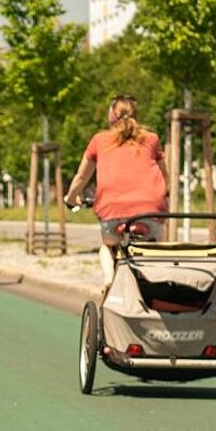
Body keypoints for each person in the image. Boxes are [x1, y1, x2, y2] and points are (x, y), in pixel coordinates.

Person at [65, 95, 170, 291]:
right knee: (156, 244)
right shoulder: (152, 139)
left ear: (111, 117)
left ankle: (109, 278)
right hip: (151, 212)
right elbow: (165, 175)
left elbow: (81, 177)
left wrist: (71, 199)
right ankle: (158, 282)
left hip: (113, 212)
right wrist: (166, 196)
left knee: (108, 246)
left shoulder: (99, 140)